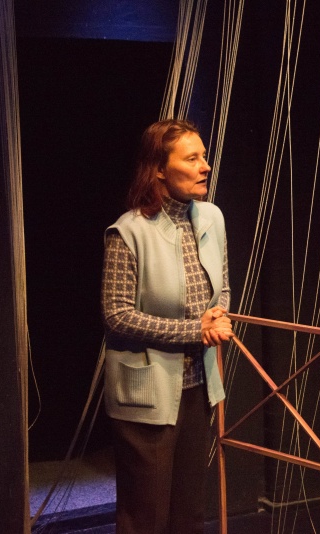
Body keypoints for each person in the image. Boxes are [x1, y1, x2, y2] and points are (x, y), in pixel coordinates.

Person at [101, 119, 233, 532]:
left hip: (197, 386)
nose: (205, 166)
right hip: (147, 393)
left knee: (188, 514)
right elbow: (117, 314)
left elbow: (223, 288)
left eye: (204, 156)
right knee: (146, 516)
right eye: (191, 159)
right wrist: (195, 330)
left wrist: (217, 316)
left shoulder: (212, 217)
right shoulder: (129, 232)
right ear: (159, 169)